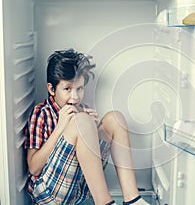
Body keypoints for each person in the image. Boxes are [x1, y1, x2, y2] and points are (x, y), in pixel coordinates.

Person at [24, 49, 149, 205]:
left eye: (80, 88)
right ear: (51, 89)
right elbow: (33, 168)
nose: (75, 96)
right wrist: (62, 126)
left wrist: (91, 129)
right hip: (48, 196)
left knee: (114, 119)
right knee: (82, 121)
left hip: (78, 192)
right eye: (67, 89)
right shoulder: (42, 113)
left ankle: (133, 200)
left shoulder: (81, 109)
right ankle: (104, 203)